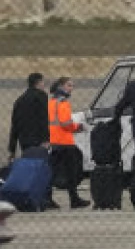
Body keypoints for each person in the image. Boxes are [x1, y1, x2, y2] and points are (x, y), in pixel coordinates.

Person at [48, 77, 89, 209]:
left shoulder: (51, 102)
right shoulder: (63, 103)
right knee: (71, 172)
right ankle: (74, 199)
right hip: (65, 142)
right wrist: (79, 127)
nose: (71, 88)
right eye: (69, 85)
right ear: (61, 86)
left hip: (54, 141)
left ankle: (47, 198)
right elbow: (66, 123)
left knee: (52, 172)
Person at [7, 72, 50, 161]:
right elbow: (44, 117)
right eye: (43, 82)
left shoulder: (19, 100)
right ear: (39, 82)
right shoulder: (41, 96)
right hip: (39, 139)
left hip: (24, 140)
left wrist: (12, 149)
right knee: (40, 165)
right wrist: (46, 139)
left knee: (29, 163)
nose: (44, 85)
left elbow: (15, 125)